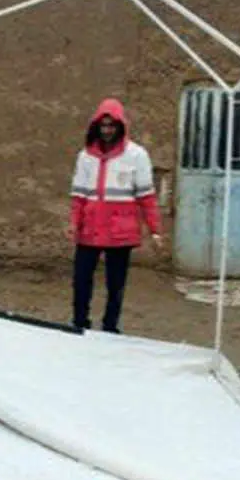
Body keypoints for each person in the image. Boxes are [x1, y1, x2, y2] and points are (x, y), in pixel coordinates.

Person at [67, 98, 163, 334]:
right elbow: (79, 196)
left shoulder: (137, 155)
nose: (107, 130)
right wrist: (73, 223)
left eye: (112, 125)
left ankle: (110, 326)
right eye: (103, 125)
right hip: (90, 227)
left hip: (121, 229)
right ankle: (79, 321)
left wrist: (155, 230)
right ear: (96, 126)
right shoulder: (85, 156)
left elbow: (146, 197)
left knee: (116, 282)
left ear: (121, 126)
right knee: (81, 278)